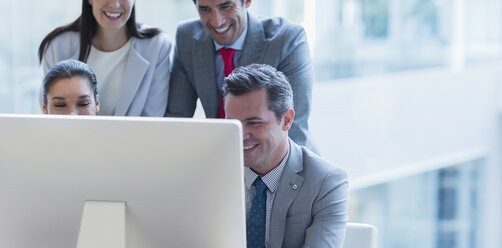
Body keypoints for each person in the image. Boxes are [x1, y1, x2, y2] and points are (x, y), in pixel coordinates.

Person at [223, 64, 348, 248]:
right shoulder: (214, 172)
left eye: (254, 123)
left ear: (287, 120)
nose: (241, 136)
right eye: (234, 123)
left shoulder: (326, 182)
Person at [167, 0, 317, 152]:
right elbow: (176, 120)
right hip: (221, 159)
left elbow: (293, 128)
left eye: (226, 7)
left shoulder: (287, 39)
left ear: (246, 1)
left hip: (279, 161)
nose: (217, 21)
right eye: (205, 9)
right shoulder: (187, 38)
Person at [38, 0, 171, 116]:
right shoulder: (58, 45)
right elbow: (51, 113)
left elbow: (153, 120)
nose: (115, 4)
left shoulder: (156, 46)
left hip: (133, 143)